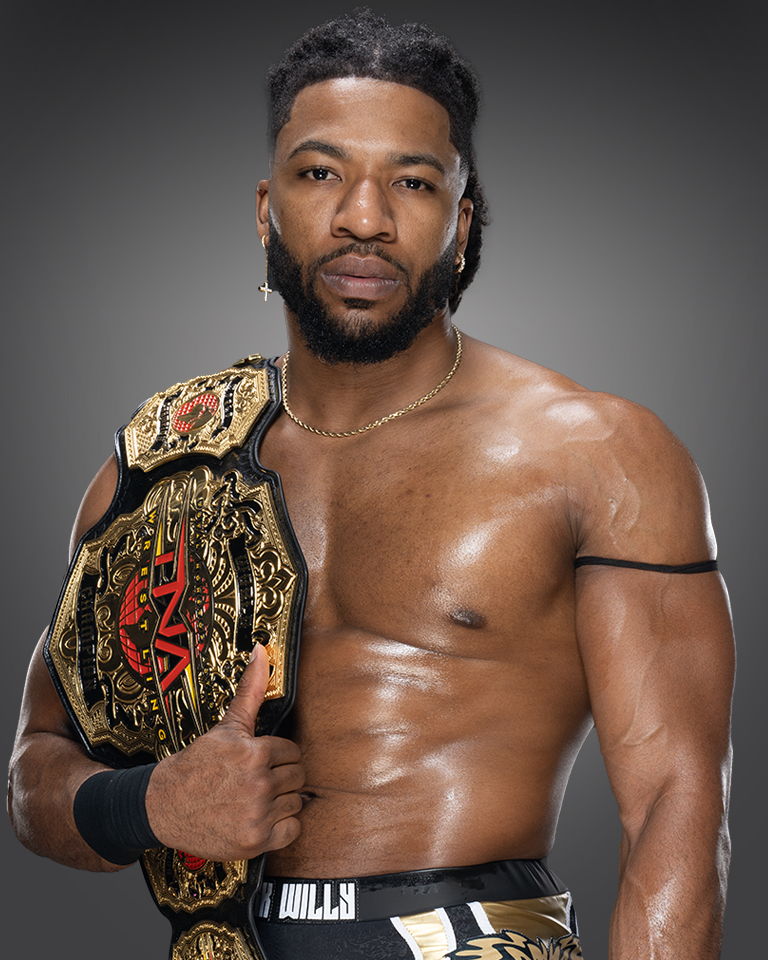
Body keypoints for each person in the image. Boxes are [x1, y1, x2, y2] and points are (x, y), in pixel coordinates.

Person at [8, 10, 734, 960]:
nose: (364, 217)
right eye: (321, 174)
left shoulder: (598, 455)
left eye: (413, 182)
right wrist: (147, 804)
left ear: (460, 225)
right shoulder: (163, 463)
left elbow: (677, 805)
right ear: (264, 209)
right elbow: (34, 771)